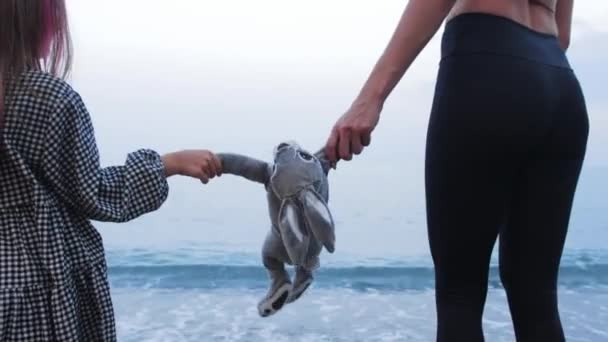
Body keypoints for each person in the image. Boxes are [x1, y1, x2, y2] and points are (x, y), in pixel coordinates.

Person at [325, 0, 588, 341]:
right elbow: (562, 34)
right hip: (559, 84)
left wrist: (369, 100)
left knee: (459, 293)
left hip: (485, 67)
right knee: (535, 293)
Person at [0, 1, 222, 340]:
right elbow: (92, 193)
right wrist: (169, 164)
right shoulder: (46, 97)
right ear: (33, 21)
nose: (59, 29)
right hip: (37, 281)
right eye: (53, 19)